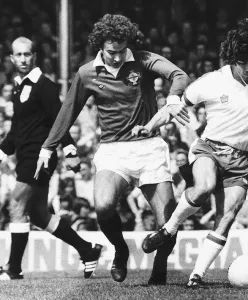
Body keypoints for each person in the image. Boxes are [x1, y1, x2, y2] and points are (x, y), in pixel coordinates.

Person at [132, 18, 248, 288]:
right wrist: (149, 127)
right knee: (204, 187)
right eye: (243, 61)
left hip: (241, 159)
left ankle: (196, 276)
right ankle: (168, 229)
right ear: (233, 58)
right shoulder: (212, 81)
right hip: (208, 148)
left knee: (226, 217)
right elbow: (173, 108)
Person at [34, 14, 190, 284]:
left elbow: (178, 74)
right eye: (111, 52)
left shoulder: (142, 60)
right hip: (113, 150)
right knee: (104, 206)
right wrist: (48, 148)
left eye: (121, 51)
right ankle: (120, 250)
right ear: (99, 45)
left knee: (168, 220)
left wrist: (174, 97)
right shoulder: (86, 73)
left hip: (149, 147)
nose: (117, 57)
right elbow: (67, 112)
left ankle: (160, 267)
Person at [0, 37, 102, 280]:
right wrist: (2, 152)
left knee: (16, 204)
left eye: (27, 54)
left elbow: (60, 119)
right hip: (25, 155)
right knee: (38, 215)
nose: (23, 59)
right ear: (12, 59)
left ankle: (13, 269)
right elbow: (15, 130)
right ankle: (88, 251)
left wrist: (69, 150)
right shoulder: (17, 86)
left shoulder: (44, 86)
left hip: (39, 157)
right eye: (19, 55)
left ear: (34, 56)